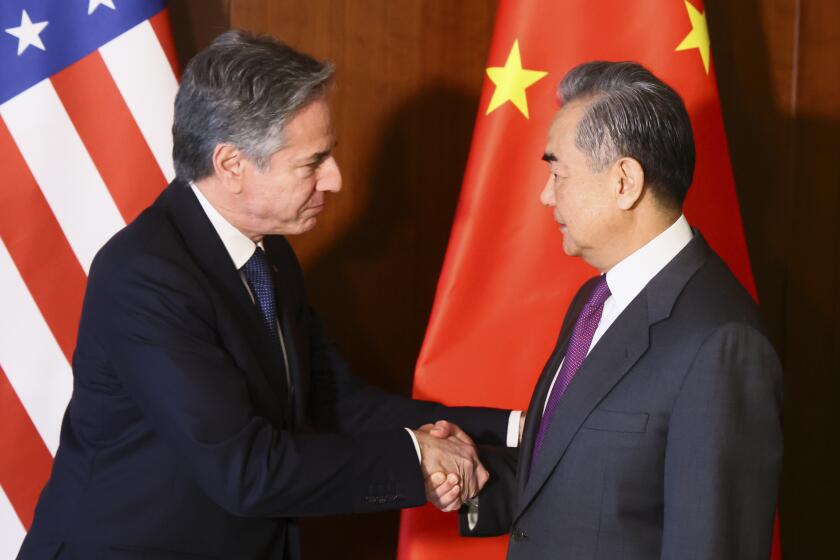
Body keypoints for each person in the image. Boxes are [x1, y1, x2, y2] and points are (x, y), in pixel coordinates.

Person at [18, 30, 523, 559]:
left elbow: (333, 406)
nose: (336, 180)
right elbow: (245, 470)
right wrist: (419, 458)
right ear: (232, 165)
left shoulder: (270, 256)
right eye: (313, 162)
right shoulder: (145, 276)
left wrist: (510, 430)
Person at [446, 61, 783, 559]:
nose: (544, 194)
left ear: (624, 181)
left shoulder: (723, 342)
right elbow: (584, 477)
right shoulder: (595, 298)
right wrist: (473, 476)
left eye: (557, 172)